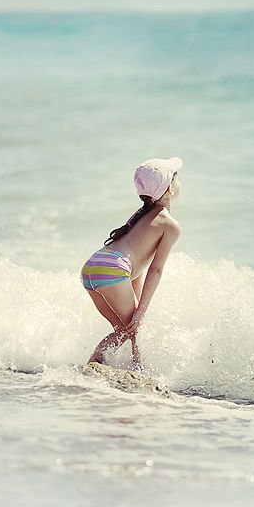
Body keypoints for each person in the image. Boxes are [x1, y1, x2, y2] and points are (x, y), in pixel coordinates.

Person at [80, 157, 183, 369]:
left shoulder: (140, 216)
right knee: (132, 329)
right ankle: (107, 368)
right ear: (170, 189)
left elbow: (136, 272)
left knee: (124, 330)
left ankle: (116, 368)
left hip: (93, 267)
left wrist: (137, 307)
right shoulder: (170, 225)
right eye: (175, 177)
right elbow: (155, 269)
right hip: (112, 271)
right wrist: (141, 310)